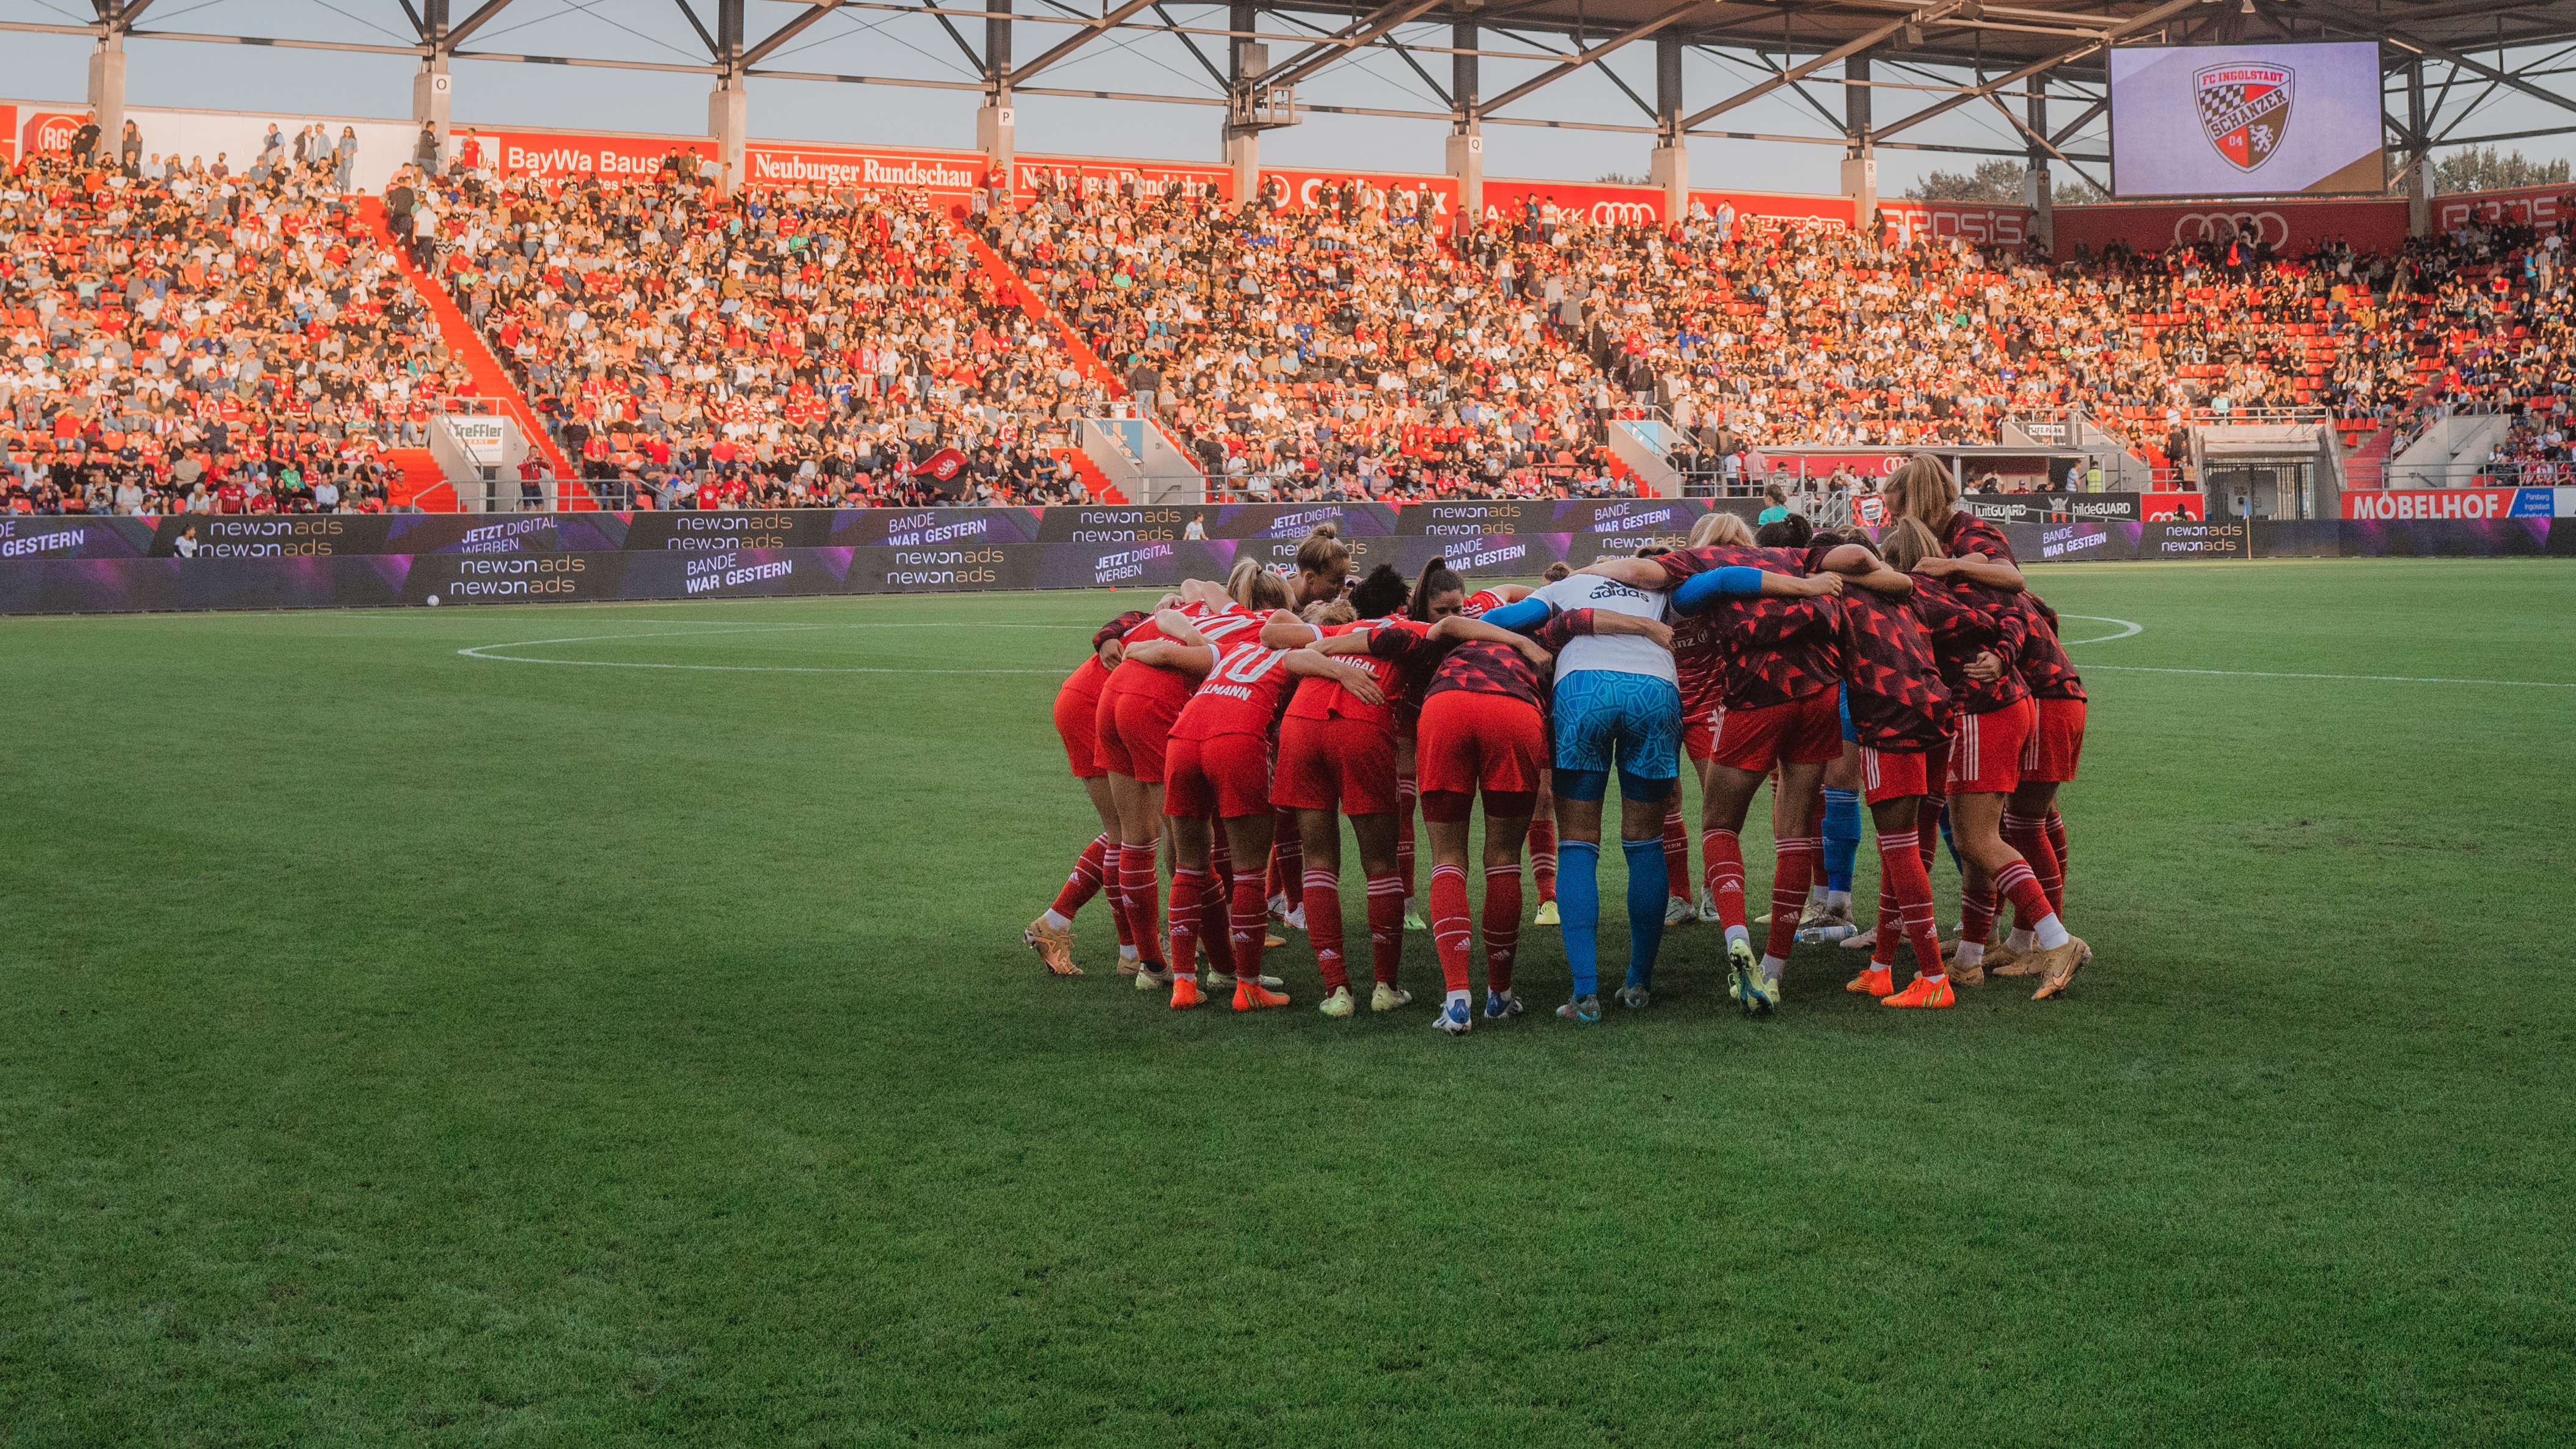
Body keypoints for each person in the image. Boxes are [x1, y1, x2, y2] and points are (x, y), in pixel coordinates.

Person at [1483, 552, 1837, 1022]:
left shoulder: (1560, 590)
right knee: (1645, 842)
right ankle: (1638, 984)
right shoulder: (1664, 590)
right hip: (1654, 694)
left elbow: (1495, 620)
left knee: (1577, 843)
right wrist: (1810, 586)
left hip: (1582, 692)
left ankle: (1585, 993)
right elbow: (1724, 578)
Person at [1130, 574, 1383, 1011]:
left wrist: (1131, 647)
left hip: (1183, 737)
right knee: (1248, 871)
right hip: (1235, 738)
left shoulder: (1233, 647)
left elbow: (1167, 647)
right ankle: (1247, 985)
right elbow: (1302, 660)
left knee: (1189, 866)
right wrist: (1343, 670)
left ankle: (1184, 984)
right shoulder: (1289, 651)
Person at [1880, 520, 2088, 997]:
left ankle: (2052, 941)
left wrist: (1999, 654)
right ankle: (1976, 954)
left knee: (1992, 835)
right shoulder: (1957, 586)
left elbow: (2016, 609)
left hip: (1989, 708)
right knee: (1990, 834)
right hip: (2008, 703)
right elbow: (2027, 609)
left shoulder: (1928, 591)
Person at [1096, 574, 1273, 990]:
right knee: (1190, 849)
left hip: (1115, 690)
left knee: (1135, 837)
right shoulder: (1254, 638)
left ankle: (1149, 964)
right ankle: (1218, 968)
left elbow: (1197, 583)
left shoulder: (1221, 607)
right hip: (1156, 695)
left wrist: (1175, 615)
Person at [1025, 607, 1148, 976]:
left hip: (1096, 700)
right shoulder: (1203, 614)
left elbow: (1132, 617)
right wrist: (1106, 637)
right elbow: (1130, 617)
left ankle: (1055, 923)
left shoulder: (1194, 609)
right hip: (1094, 706)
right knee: (1129, 835)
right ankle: (1131, 954)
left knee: (1129, 830)